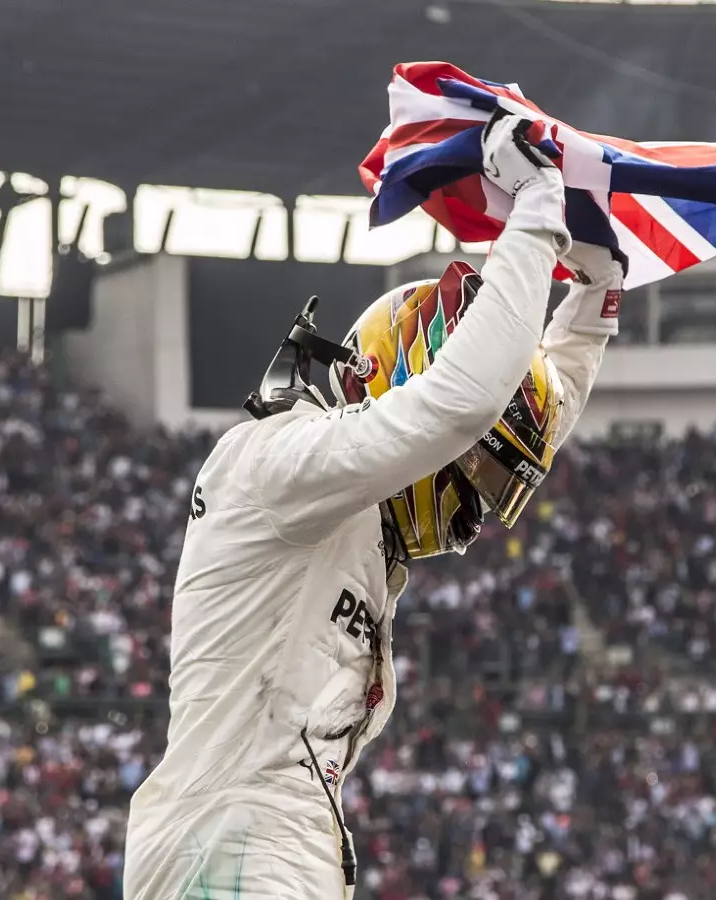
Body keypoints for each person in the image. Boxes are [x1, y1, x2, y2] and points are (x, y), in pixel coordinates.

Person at [122, 111, 627, 900]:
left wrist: (596, 301)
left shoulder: (338, 509)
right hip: (234, 833)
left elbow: (511, 423)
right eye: (477, 483)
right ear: (403, 372)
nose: (472, 517)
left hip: (257, 835)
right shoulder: (276, 461)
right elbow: (462, 410)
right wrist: (535, 215)